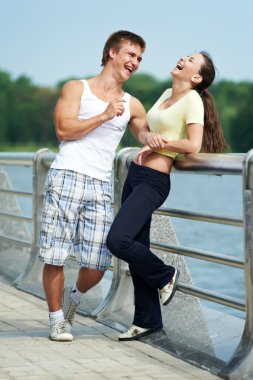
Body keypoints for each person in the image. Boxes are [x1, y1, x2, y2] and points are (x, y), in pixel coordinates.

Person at [106, 51, 227, 341]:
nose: (182, 58)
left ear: (196, 77)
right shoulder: (163, 94)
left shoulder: (192, 100)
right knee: (136, 247)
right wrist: (147, 139)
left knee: (117, 240)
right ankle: (146, 320)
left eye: (190, 59)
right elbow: (149, 130)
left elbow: (193, 144)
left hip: (154, 180)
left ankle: (165, 275)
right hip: (135, 176)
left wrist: (161, 145)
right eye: (184, 55)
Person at [39, 30, 147, 341]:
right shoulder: (77, 88)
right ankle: (57, 320)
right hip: (67, 176)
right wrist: (103, 115)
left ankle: (73, 297)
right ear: (113, 53)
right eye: (131, 54)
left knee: (97, 265)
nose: (135, 62)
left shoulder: (132, 104)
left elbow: (147, 136)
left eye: (139, 58)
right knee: (55, 255)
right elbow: (63, 129)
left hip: (101, 185)